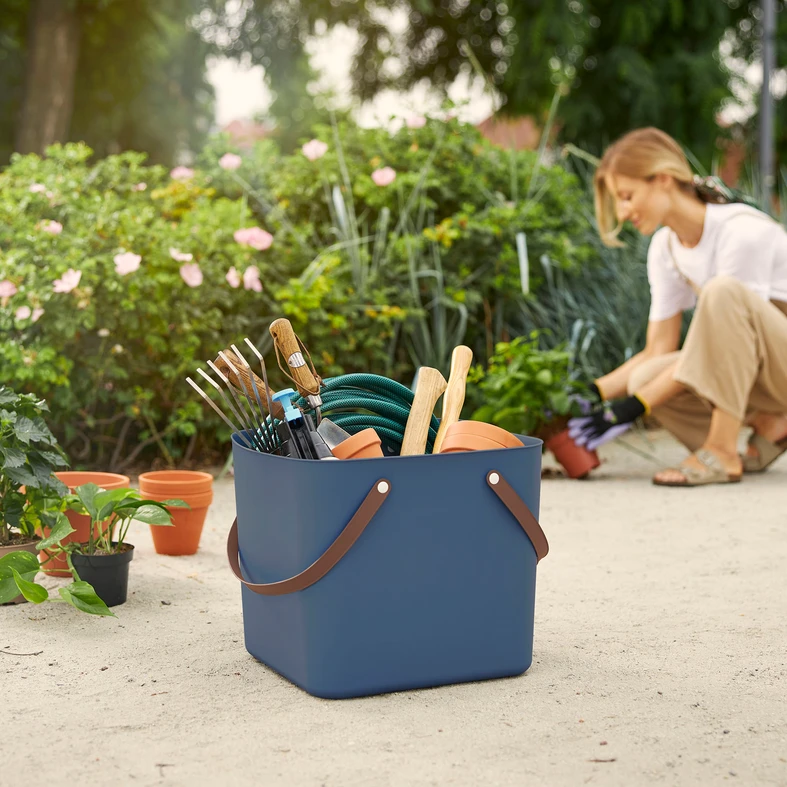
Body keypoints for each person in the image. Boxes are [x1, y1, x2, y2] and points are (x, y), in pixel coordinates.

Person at [567, 127, 787, 486]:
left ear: (663, 180)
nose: (622, 212)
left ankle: (722, 450)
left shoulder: (741, 231)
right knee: (645, 376)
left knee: (722, 294)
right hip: (761, 373)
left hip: (778, 362)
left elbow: (737, 345)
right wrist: (593, 393)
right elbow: (658, 349)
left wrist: (636, 406)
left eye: (626, 196)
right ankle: (770, 424)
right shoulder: (666, 247)